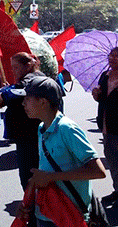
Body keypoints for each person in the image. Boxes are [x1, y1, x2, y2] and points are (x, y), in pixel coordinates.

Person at [20, 75, 106, 227]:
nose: (23, 103)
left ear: (43, 102)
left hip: (70, 213)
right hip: (47, 212)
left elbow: (98, 171)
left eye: (27, 99)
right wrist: (29, 199)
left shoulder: (66, 128)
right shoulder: (42, 128)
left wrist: (51, 177)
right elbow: (45, 171)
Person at [0, 52, 46, 190]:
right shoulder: (33, 78)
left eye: (16, 67)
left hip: (28, 134)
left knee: (29, 176)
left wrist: (5, 94)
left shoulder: (30, 80)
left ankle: (33, 207)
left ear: (28, 66)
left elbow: (5, 97)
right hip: (28, 134)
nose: (13, 71)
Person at [92, 46, 118, 203]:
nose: (112, 59)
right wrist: (97, 95)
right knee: (113, 161)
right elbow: (102, 100)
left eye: (116, 56)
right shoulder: (105, 76)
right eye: (110, 56)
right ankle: (117, 190)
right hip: (107, 125)